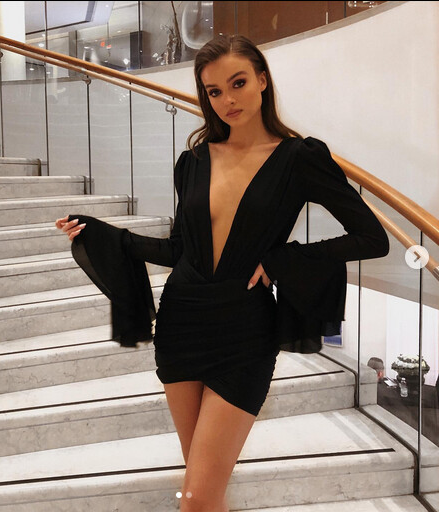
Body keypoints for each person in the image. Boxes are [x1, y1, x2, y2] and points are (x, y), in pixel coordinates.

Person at [55, 34, 390, 512]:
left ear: (262, 80)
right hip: (181, 324)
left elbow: (372, 238)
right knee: (203, 491)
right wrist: (106, 234)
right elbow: (179, 250)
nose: (228, 100)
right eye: (214, 91)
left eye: (238, 83)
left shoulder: (300, 158)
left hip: (244, 333)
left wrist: (280, 260)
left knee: (196, 498)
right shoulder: (193, 161)